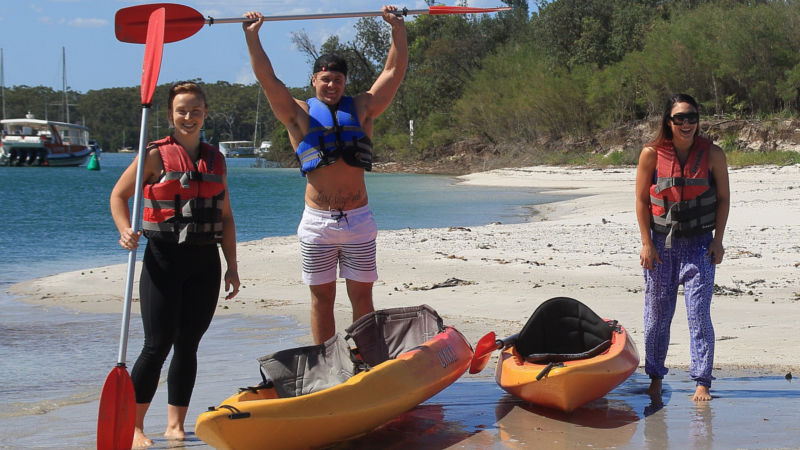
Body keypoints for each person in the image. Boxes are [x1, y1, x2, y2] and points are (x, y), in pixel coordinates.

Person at [242, 6, 407, 344]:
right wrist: (252, 37)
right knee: (321, 300)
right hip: (317, 224)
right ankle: (325, 361)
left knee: (362, 298)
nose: (331, 84)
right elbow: (268, 79)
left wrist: (397, 30)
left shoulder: (362, 108)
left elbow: (394, 69)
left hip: (359, 221)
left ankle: (366, 359)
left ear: (345, 83)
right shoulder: (299, 114)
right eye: (325, 79)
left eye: (338, 80)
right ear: (314, 80)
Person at [110, 81, 240, 447]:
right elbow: (119, 196)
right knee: (157, 344)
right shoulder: (153, 155)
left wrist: (232, 265)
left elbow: (226, 218)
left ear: (205, 113)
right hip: (163, 259)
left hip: (204, 261)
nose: (188, 116)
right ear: (170, 114)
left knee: (188, 345)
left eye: (195, 110)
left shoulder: (216, 159)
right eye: (182, 110)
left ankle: (174, 425)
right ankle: (134, 427)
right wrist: (125, 231)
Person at [635, 93, 730, 402]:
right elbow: (640, 200)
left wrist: (718, 240)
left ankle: (702, 381)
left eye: (692, 117)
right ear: (668, 121)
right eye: (680, 118)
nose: (686, 123)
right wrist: (647, 243)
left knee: (699, 314)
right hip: (661, 245)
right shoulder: (651, 153)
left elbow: (724, 199)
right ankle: (655, 376)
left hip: (700, 245)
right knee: (656, 316)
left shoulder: (713, 154)